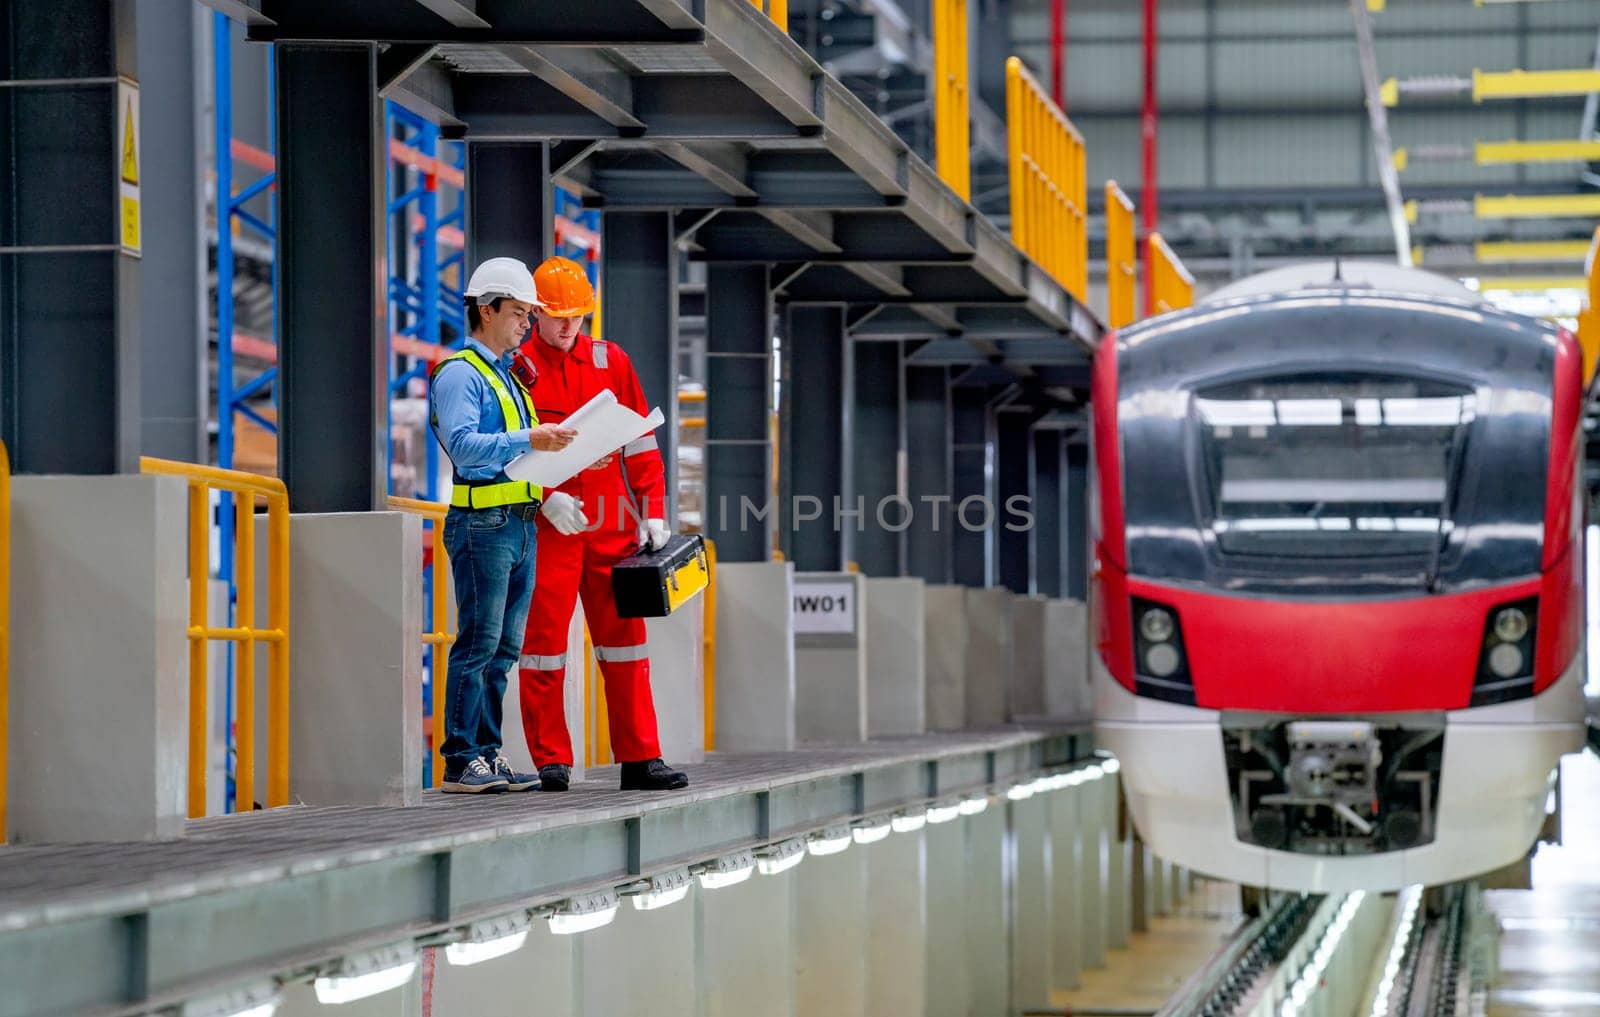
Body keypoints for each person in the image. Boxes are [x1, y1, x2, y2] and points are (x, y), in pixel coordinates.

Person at [511, 256, 689, 793]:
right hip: (551, 528)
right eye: (559, 315)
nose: (569, 327)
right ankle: (552, 761)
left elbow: (640, 441)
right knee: (543, 647)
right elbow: (507, 453)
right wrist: (542, 500)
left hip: (611, 526)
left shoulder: (612, 362)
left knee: (626, 644)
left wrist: (653, 509)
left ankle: (641, 758)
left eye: (579, 316)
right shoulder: (516, 370)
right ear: (536, 313)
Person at [430, 257, 590, 793]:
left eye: (528, 313)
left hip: (518, 524)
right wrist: (532, 439)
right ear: (486, 310)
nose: (527, 323)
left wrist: (562, 454)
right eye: (519, 312)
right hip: (484, 525)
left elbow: (515, 458)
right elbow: (465, 448)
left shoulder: (507, 376)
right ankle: (460, 759)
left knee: (502, 651)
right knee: (478, 645)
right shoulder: (461, 375)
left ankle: (487, 752)